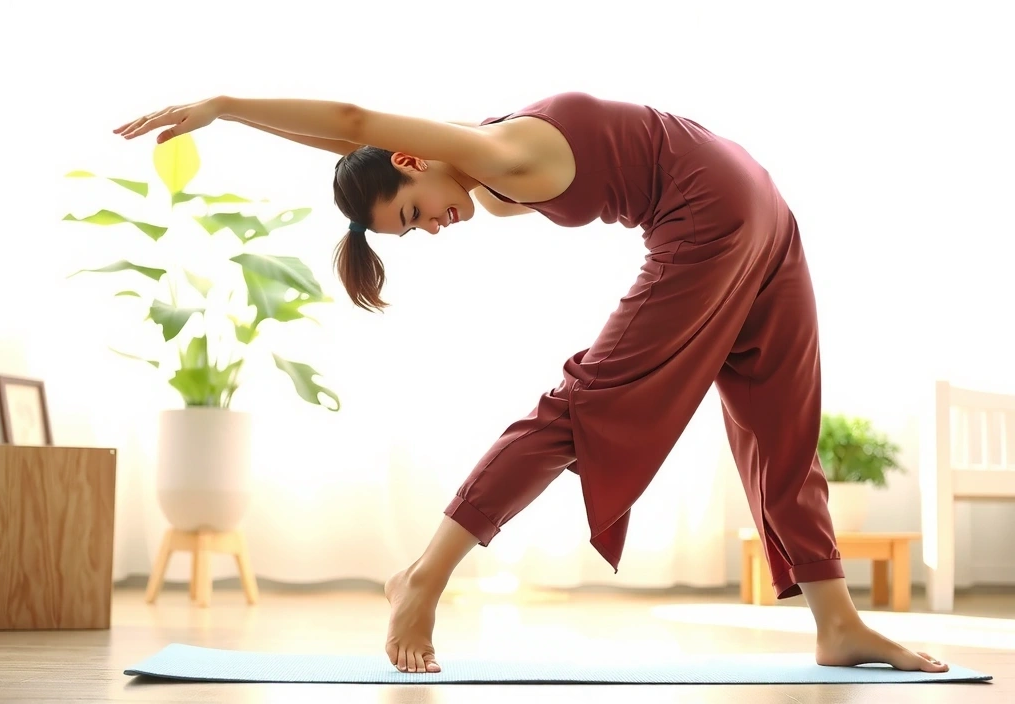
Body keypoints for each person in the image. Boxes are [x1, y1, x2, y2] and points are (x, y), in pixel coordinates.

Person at [116, 92, 947, 676]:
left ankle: (836, 625)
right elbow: (361, 144)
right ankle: (430, 575)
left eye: (411, 214)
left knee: (755, 420)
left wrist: (222, 106)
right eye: (410, 230)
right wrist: (251, 124)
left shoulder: (494, 149)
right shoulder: (473, 157)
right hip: (737, 211)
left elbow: (355, 124)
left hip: (742, 218)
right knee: (651, 412)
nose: (432, 228)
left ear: (414, 162)